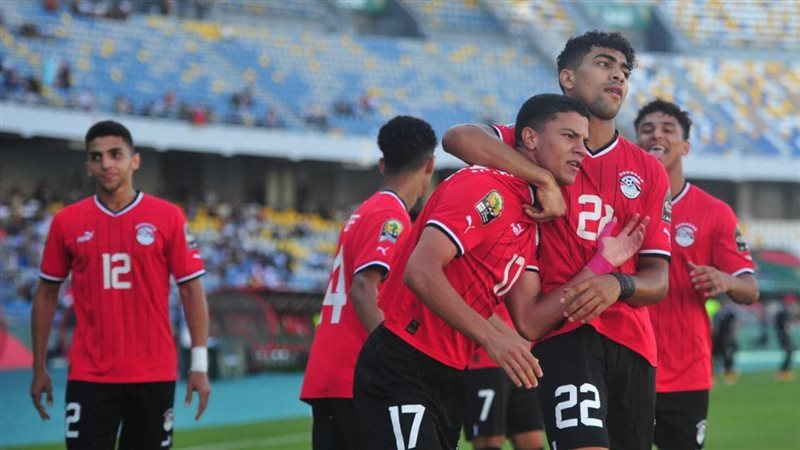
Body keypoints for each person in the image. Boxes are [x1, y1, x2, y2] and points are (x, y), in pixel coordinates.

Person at [355, 93, 650, 450]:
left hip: (450, 374)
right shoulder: (484, 187)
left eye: (584, 141)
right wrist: (491, 338)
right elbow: (420, 271)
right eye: (569, 136)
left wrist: (601, 265)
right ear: (530, 138)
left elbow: (531, 320)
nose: (581, 150)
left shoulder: (528, 217)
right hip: (403, 362)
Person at [443, 31, 673, 450]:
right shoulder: (536, 144)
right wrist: (543, 179)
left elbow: (658, 279)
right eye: (604, 64)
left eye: (624, 71)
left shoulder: (648, 171)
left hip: (634, 342)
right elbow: (458, 137)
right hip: (564, 333)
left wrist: (618, 284)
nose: (618, 76)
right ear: (567, 77)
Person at [30, 120, 211, 449]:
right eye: (96, 157)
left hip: (153, 373)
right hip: (89, 374)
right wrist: (38, 366)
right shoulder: (67, 222)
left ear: (134, 161)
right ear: (88, 166)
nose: (106, 163)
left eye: (115, 154)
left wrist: (199, 365)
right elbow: (46, 293)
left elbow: (191, 290)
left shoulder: (167, 217)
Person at [299, 115, 438, 450]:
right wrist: (395, 358)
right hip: (360, 375)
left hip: (333, 372)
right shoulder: (390, 216)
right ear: (430, 165)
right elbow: (363, 288)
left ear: (382, 164)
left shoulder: (364, 211)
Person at [634, 99, 759, 450]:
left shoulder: (714, 212)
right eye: (647, 129)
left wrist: (726, 280)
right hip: (628, 366)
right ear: (636, 143)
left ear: (685, 146)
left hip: (686, 374)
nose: (656, 135)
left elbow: (749, 288)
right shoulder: (620, 203)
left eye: (667, 129)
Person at [463, 304, 545, 450]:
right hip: (485, 361)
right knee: (489, 440)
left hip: (524, 359)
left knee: (531, 439)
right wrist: (511, 337)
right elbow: (473, 301)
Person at [775, 294, 796, 381]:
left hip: (782, 334)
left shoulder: (782, 311)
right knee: (789, 350)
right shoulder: (784, 311)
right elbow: (786, 325)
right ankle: (784, 371)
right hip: (783, 334)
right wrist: (789, 329)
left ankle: (784, 371)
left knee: (790, 350)